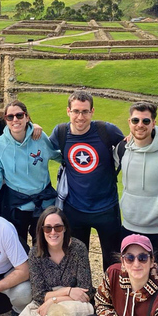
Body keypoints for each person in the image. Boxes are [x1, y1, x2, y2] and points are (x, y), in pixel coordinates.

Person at [6, 206, 94, 316]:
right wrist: (65, 292)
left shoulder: (78, 248)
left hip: (76, 304)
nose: (53, 232)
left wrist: (53, 299)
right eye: (48, 228)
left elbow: (86, 291)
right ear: (41, 230)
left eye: (58, 227)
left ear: (65, 228)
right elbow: (39, 295)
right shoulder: (35, 253)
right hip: (58, 298)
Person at [49, 90, 125, 270]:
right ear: (68, 111)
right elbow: (40, 149)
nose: (80, 116)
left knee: (113, 261)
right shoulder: (60, 132)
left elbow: (130, 148)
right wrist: (33, 128)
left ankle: (112, 295)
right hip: (74, 208)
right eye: (76, 111)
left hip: (107, 207)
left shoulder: (106, 130)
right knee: (77, 261)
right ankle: (83, 297)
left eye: (85, 111)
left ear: (92, 111)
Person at [115, 102, 158, 286]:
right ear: (129, 122)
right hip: (129, 226)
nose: (140, 124)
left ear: (154, 123)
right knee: (131, 277)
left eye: (145, 120)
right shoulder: (122, 149)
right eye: (135, 120)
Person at [0, 100, 61, 251]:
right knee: (17, 249)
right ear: (5, 120)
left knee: (44, 250)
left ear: (26, 117)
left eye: (19, 115)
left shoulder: (39, 137)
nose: (15, 120)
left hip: (44, 203)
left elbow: (57, 156)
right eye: (10, 117)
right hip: (17, 206)